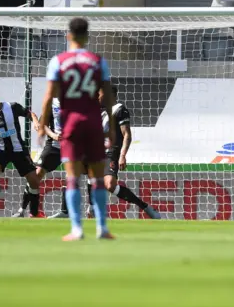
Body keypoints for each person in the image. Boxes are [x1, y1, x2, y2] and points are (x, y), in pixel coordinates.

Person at [37, 17, 115, 240]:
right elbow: (107, 97)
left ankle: (77, 229)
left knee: (72, 178)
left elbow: (48, 95)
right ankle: (102, 228)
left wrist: (42, 126)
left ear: (68, 35)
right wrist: (109, 125)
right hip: (92, 123)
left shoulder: (58, 61)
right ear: (87, 36)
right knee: (97, 178)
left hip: (70, 124)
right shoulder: (98, 61)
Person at [50, 86, 161, 219]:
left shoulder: (120, 109)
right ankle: (66, 211)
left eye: (99, 94)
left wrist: (122, 155)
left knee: (110, 185)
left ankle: (145, 206)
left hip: (110, 153)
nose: (97, 97)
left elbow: (127, 135)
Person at [0, 87, 42, 218]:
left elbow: (30, 114)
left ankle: (34, 213)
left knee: (34, 180)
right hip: (0, 150)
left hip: (18, 149)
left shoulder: (12, 107)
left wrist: (36, 122)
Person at [14, 97, 62, 218]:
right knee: (37, 174)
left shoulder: (78, 101)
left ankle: (68, 212)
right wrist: (54, 135)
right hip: (55, 146)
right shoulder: (52, 102)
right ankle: (22, 210)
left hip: (73, 147)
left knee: (76, 176)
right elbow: (42, 124)